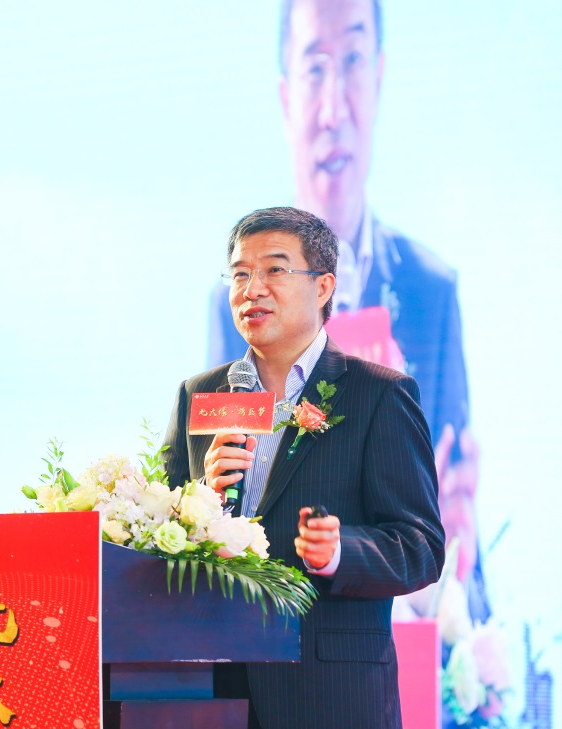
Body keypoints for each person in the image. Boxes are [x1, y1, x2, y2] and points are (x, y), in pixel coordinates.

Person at [206, 0, 487, 622]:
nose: (333, 110)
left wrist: (457, 569)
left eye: (353, 61)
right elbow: (206, 508)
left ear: (379, 78)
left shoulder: (430, 291)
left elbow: (446, 524)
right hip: (258, 626)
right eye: (314, 69)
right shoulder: (232, 308)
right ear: (286, 97)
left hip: (375, 638)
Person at [165, 207, 445, 729]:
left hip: (327, 693)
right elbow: (160, 536)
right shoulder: (200, 395)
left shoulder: (379, 395)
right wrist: (201, 494)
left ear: (323, 287)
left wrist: (340, 553)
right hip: (210, 688)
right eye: (240, 274)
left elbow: (421, 548)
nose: (252, 289)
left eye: (274, 270)